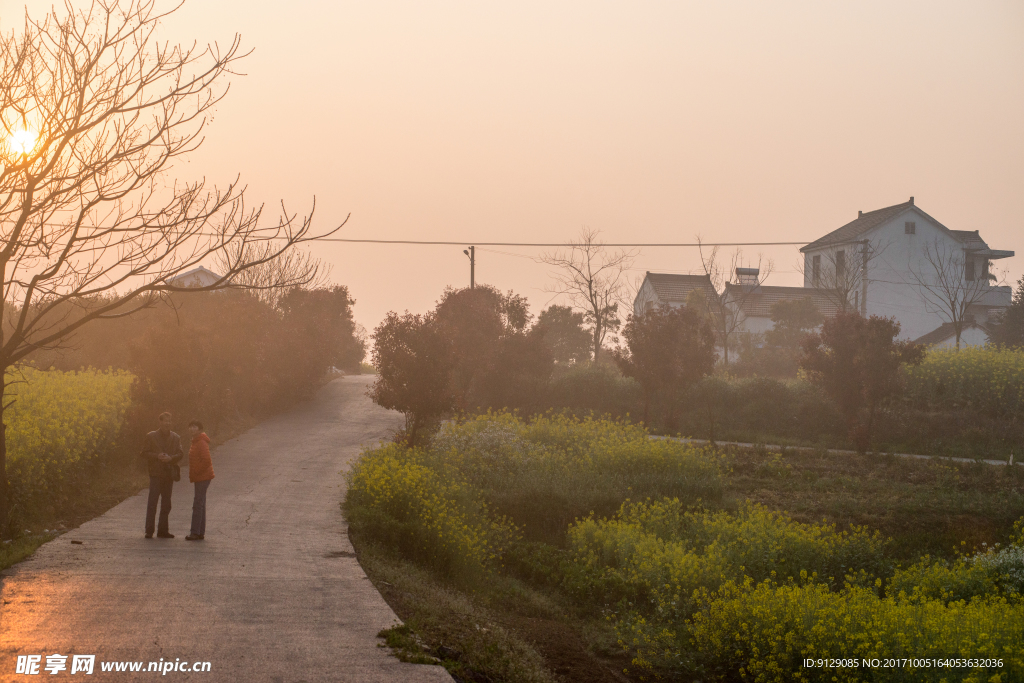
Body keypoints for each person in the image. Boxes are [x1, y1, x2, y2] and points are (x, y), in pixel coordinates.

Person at [140, 412, 184, 539]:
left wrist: (171, 458)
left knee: (166, 503)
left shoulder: (176, 437)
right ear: (160, 422)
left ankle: (163, 530)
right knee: (152, 503)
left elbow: (180, 454)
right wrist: (157, 456)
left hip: (169, 474)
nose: (167, 423)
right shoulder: (151, 436)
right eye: (165, 421)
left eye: (169, 421)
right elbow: (143, 453)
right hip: (155, 474)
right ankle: (149, 530)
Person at [186, 420, 215, 541]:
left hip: (203, 477)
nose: (192, 429)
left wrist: (197, 471)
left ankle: (194, 532)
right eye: (190, 427)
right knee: (201, 503)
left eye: (195, 427)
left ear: (199, 429)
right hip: (201, 477)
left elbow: (207, 460)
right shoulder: (196, 441)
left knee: (197, 503)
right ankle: (200, 532)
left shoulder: (201, 442)